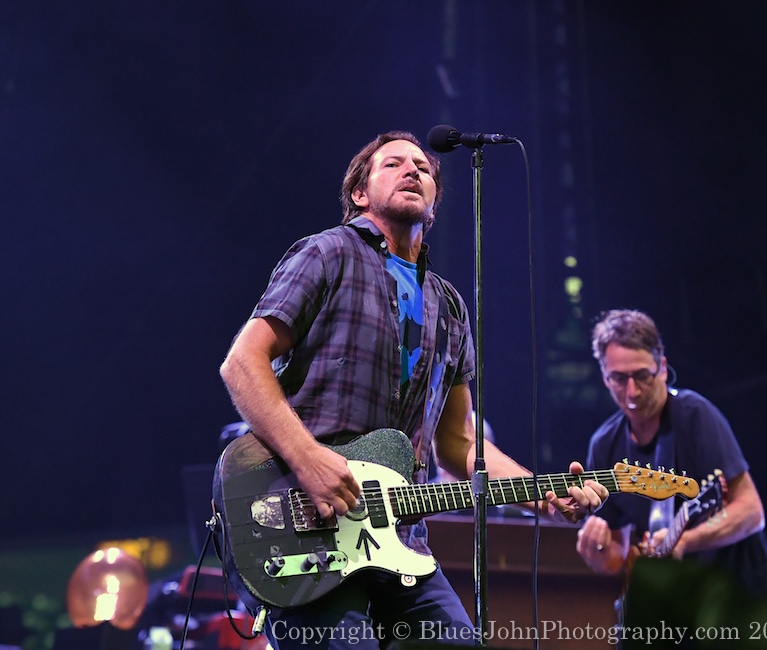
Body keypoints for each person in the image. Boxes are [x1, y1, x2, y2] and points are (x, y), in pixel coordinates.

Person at [219, 130, 609, 649]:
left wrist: (542, 493)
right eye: (393, 164)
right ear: (360, 193)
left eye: (422, 167)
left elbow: (457, 444)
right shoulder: (327, 254)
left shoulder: (448, 306)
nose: (412, 171)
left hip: (401, 542)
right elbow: (242, 363)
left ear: (434, 201)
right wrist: (308, 459)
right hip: (304, 524)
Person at [576, 309, 767, 616]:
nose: (632, 392)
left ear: (662, 367)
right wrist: (596, 552)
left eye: (642, 376)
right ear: (604, 376)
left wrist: (685, 541)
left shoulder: (695, 417)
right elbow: (616, 555)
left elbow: (751, 511)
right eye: (619, 379)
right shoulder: (604, 444)